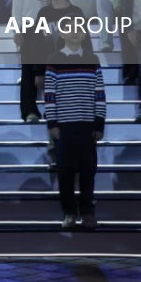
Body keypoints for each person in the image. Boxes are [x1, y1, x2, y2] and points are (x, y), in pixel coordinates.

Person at [45, 24, 106, 230]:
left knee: (88, 170)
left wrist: (99, 123)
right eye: (68, 28)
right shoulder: (54, 60)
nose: (74, 31)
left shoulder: (92, 59)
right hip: (64, 126)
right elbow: (50, 95)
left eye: (79, 28)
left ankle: (88, 211)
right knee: (65, 171)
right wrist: (52, 123)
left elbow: (99, 94)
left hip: (87, 125)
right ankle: (69, 212)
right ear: (61, 33)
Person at [12, 0, 51, 122]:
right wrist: (17, 30)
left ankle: (54, 111)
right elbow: (17, 6)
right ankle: (29, 110)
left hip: (50, 27)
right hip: (29, 28)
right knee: (28, 70)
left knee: (51, 70)